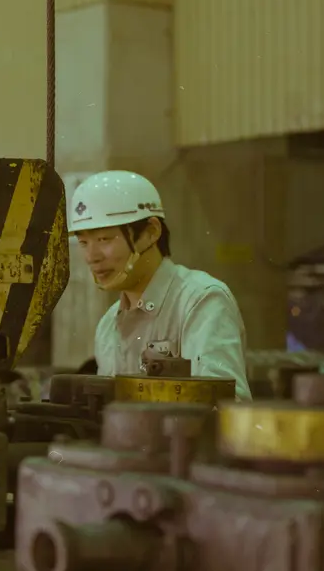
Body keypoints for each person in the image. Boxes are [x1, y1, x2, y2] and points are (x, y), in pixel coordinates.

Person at [68, 170, 251, 401]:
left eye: (104, 239)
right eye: (83, 242)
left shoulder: (200, 302)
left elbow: (226, 404)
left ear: (151, 232)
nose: (91, 257)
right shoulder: (108, 326)